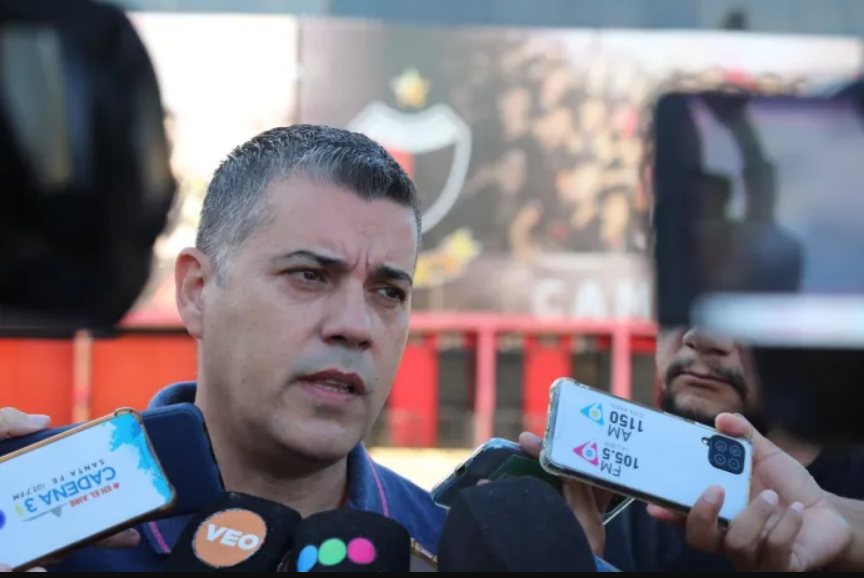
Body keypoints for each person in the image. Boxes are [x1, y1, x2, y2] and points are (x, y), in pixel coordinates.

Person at [5, 125, 615, 572]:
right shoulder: (38, 526)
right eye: (309, 276)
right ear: (196, 291)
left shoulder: (459, 556)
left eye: (387, 291)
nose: (355, 325)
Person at [532, 326, 864, 572]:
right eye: (681, 306)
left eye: (740, 314)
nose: (701, 337)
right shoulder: (589, 506)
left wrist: (840, 529)